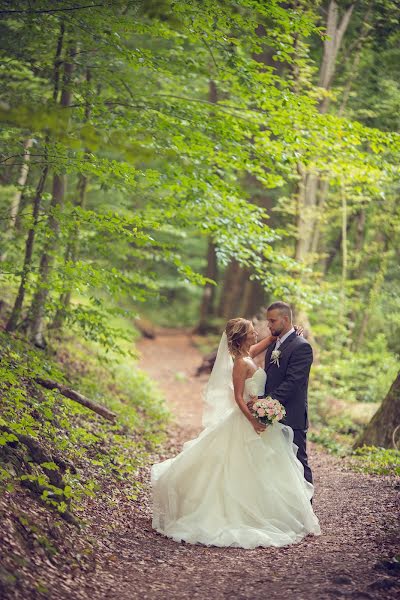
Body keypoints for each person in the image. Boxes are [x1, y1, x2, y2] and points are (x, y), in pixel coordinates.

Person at [151, 317, 320, 549]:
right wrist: (253, 420)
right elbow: (238, 398)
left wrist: (290, 332)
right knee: (238, 467)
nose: (256, 333)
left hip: (258, 415)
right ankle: (235, 514)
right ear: (242, 337)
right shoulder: (240, 362)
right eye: (252, 331)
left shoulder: (247, 352)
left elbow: (269, 339)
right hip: (246, 420)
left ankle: (264, 511)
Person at [249, 302, 313, 484]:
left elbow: (292, 383)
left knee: (299, 461)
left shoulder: (302, 347)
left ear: (285, 320)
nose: (268, 325)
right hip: (272, 414)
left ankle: (307, 508)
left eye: (272, 321)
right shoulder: (274, 345)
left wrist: (264, 403)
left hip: (291, 415)